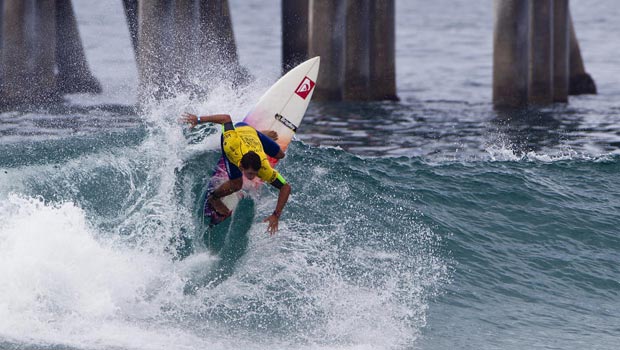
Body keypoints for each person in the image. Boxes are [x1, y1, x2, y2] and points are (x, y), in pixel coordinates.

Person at [180, 112, 291, 235]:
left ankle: (261, 134)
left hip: (251, 133)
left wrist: (276, 215)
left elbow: (285, 187)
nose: (252, 177)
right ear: (241, 167)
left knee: (280, 155)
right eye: (249, 174)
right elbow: (225, 118)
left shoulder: (264, 169)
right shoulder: (231, 146)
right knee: (237, 184)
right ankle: (214, 198)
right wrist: (198, 119)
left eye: (255, 173)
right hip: (239, 132)